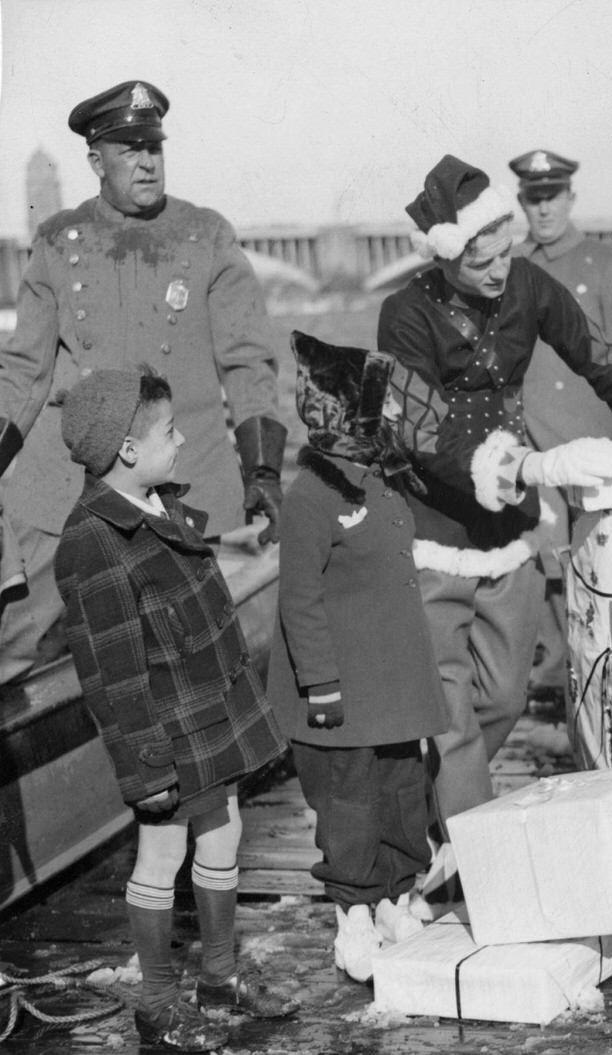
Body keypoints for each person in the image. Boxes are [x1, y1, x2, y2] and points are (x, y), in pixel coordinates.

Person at [377, 155, 612, 859]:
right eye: (483, 261)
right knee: (449, 715)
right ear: (447, 257)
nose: (501, 269)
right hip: (432, 528)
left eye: (505, 252)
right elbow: (419, 428)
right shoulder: (404, 314)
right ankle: (478, 862)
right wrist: (530, 464)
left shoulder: (529, 283)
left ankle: (426, 798)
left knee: (502, 697)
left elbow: (599, 356)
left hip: (508, 528)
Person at [0, 80, 285, 687]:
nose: (148, 161)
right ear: (96, 160)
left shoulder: (205, 235)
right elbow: (24, 372)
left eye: (154, 146)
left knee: (181, 660)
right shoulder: (56, 240)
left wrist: (263, 471)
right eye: (129, 149)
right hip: (62, 484)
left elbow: (247, 360)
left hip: (175, 484)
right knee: (12, 639)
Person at [54, 368, 294, 1053]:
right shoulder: (92, 541)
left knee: (222, 829)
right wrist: (147, 764)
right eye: (167, 429)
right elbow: (113, 674)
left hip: (209, 713)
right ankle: (157, 1005)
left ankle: (217, 975)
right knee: (162, 852)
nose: (183, 436)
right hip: (164, 731)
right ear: (127, 450)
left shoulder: (157, 504)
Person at [266, 332, 451, 983]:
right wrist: (320, 684)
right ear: (343, 411)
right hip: (342, 688)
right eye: (380, 403)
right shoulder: (310, 497)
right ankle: (354, 914)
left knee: (404, 793)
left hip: (393, 681)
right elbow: (299, 600)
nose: (394, 413)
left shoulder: (383, 475)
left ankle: (396, 895)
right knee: (349, 804)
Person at [509, 149, 612, 707]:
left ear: (570, 198)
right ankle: (553, 670)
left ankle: (600, 667)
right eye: (532, 199)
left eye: (552, 197)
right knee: (542, 551)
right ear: (521, 202)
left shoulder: (607, 263)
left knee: (597, 554)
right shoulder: (509, 263)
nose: (543, 210)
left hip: (592, 434)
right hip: (531, 435)